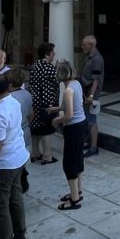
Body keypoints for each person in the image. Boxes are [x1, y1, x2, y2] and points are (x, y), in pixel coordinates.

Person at [0, 75, 29, 239]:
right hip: (19, 157)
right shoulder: (14, 102)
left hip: (5, 164)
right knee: (16, 198)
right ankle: (20, 237)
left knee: (1, 205)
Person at [48, 60, 87, 210]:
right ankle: (78, 191)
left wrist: (56, 120)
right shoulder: (76, 84)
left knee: (69, 163)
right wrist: (57, 109)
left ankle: (74, 200)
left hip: (73, 128)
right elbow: (74, 105)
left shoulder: (68, 90)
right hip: (81, 124)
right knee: (77, 158)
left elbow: (69, 115)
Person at [28, 42, 59, 165]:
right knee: (47, 129)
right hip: (47, 103)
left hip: (35, 101)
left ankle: (35, 153)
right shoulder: (48, 66)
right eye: (52, 52)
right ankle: (47, 155)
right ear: (47, 54)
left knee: (36, 128)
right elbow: (57, 79)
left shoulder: (35, 65)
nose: (54, 54)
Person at [6, 68, 32, 193]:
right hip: (25, 130)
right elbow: (31, 114)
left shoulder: (10, 97)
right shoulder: (27, 94)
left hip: (15, 134)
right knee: (23, 161)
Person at [79, 35, 104, 158]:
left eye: (85, 44)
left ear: (91, 45)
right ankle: (89, 142)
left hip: (91, 94)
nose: (82, 47)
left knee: (91, 120)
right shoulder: (89, 57)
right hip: (86, 92)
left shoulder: (97, 59)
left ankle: (94, 147)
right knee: (88, 119)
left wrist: (91, 96)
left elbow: (96, 79)